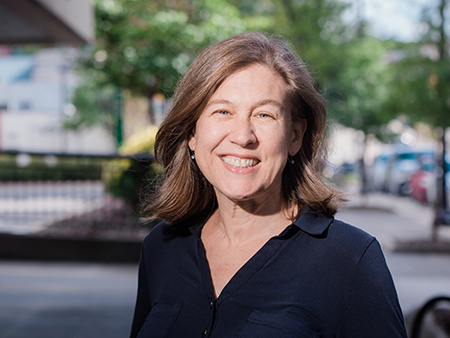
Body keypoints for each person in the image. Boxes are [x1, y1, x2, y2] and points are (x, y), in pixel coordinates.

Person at [130, 31, 407, 338]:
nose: (243, 136)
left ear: (295, 136)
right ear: (192, 133)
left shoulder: (349, 260)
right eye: (223, 111)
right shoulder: (162, 248)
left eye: (264, 114)